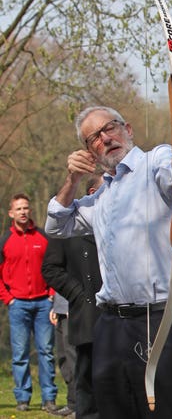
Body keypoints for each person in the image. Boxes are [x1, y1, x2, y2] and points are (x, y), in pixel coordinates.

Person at [44, 106, 172, 419]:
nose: (106, 138)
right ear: (90, 152)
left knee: (161, 410)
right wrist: (72, 179)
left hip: (158, 316)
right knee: (112, 408)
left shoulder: (152, 161)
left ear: (127, 129)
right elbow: (56, 224)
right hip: (112, 323)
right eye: (94, 138)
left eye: (110, 128)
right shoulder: (102, 195)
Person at [42, 174, 104, 419]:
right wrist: (77, 294)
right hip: (87, 315)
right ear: (91, 193)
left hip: (120, 318)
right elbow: (50, 268)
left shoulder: (120, 225)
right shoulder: (68, 227)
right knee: (87, 387)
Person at [0, 193, 58, 413]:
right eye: (19, 209)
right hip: (18, 305)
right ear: (11, 213)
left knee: (46, 352)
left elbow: (54, 266)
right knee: (20, 355)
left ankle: (49, 398)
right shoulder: (5, 240)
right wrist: (9, 299)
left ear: (30, 210)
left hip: (44, 303)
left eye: (26, 208)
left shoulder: (43, 237)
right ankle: (22, 398)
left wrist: (52, 293)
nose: (23, 212)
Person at [49, 293, 76, 417]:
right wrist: (56, 307)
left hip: (72, 309)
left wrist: (75, 307)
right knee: (63, 358)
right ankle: (71, 403)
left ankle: (78, 404)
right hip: (61, 310)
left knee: (73, 359)